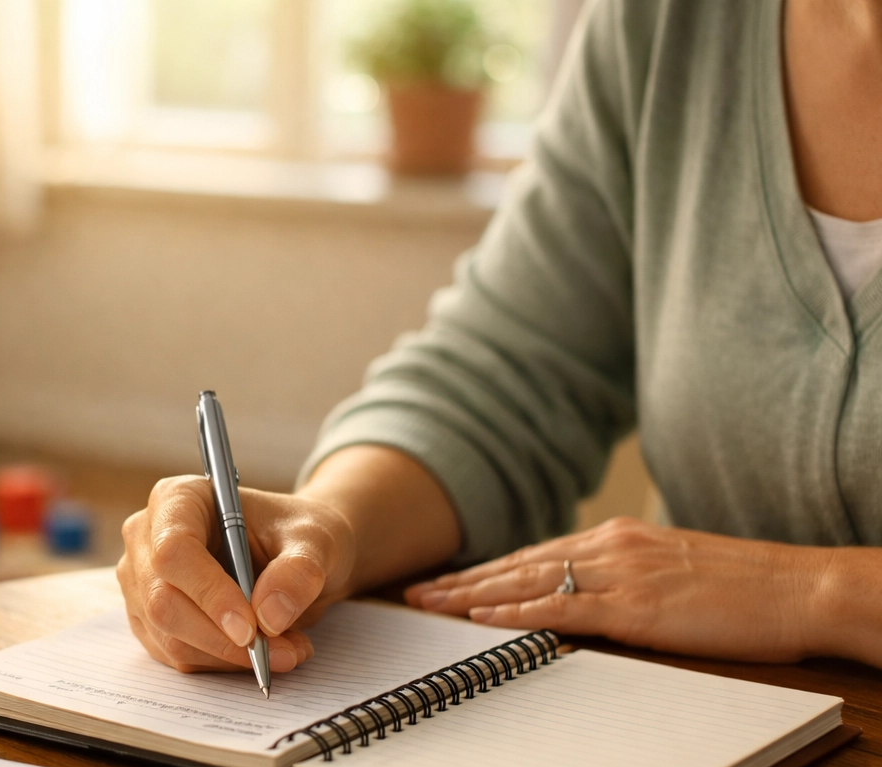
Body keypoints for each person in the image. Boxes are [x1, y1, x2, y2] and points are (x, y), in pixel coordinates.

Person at [119, 0, 882, 674]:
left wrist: (810, 594)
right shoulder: (664, 24)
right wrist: (325, 527)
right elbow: (501, 377)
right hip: (715, 751)